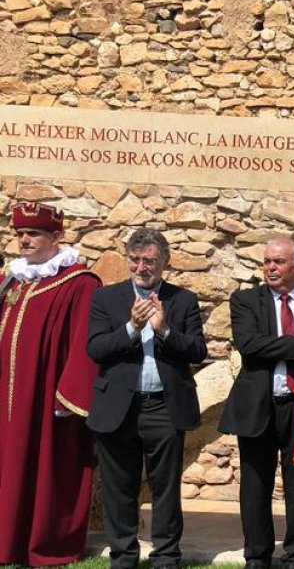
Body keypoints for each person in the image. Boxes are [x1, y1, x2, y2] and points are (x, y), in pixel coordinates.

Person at [87, 228, 207, 569]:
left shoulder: (182, 299)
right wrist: (130, 328)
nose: (142, 267)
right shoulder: (106, 299)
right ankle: (124, 556)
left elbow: (198, 349)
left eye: (150, 261)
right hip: (119, 407)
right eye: (135, 260)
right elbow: (95, 349)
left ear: (165, 263)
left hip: (163, 407)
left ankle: (166, 555)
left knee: (165, 488)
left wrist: (164, 330)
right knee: (119, 486)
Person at [220, 237, 294, 569]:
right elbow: (251, 345)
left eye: (278, 262)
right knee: (255, 483)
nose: (270, 267)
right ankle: (257, 554)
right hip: (259, 403)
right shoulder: (245, 301)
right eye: (267, 261)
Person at [0, 203, 101, 566]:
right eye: (20, 234)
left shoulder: (78, 283)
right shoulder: (10, 280)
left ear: (57, 237)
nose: (24, 241)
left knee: (40, 469)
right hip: (4, 397)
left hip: (45, 402)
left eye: (34, 234)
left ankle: (39, 543)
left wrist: (68, 396)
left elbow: (84, 344)